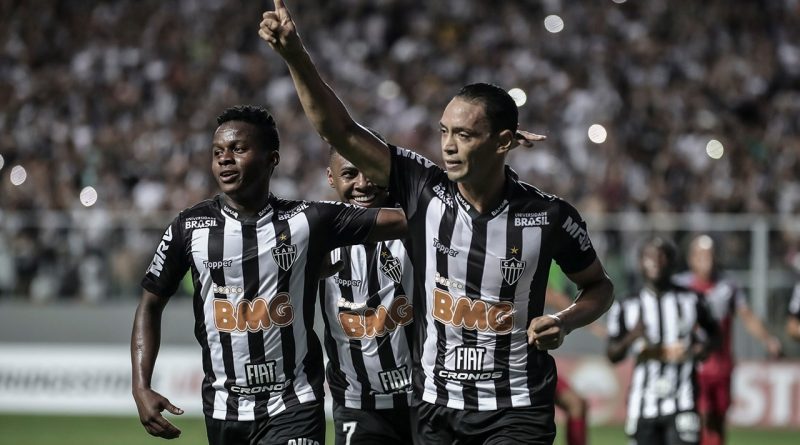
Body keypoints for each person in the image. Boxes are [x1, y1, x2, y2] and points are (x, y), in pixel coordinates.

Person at [259, 2, 615, 443]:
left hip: (517, 407)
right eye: (444, 131)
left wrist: (564, 320)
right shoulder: (423, 191)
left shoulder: (548, 216)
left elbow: (599, 287)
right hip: (436, 409)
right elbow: (341, 132)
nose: (448, 145)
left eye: (464, 135)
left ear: (502, 141)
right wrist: (295, 55)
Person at [130, 105, 406, 445]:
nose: (225, 158)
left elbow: (411, 217)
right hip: (224, 409)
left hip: (295, 404)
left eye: (238, 149)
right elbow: (150, 304)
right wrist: (140, 385)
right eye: (218, 152)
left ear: (271, 159)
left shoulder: (308, 221)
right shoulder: (189, 227)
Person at [319, 131, 415, 444]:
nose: (363, 184)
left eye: (372, 171)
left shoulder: (422, 226)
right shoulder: (313, 235)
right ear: (331, 178)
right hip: (357, 406)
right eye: (350, 174)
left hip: (427, 400)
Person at [607, 236, 721, 445]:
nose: (656, 261)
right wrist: (632, 336)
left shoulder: (692, 299)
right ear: (640, 262)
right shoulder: (626, 305)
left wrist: (702, 349)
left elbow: (715, 336)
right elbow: (612, 355)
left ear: (672, 262)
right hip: (643, 402)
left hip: (683, 399)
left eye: (662, 256)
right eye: (649, 256)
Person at [673, 234, 782, 445]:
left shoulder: (728, 286)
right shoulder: (680, 285)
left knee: (717, 419)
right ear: (691, 258)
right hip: (691, 365)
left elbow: (746, 315)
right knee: (698, 416)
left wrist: (768, 339)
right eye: (701, 255)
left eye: (710, 255)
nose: (706, 260)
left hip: (720, 365)